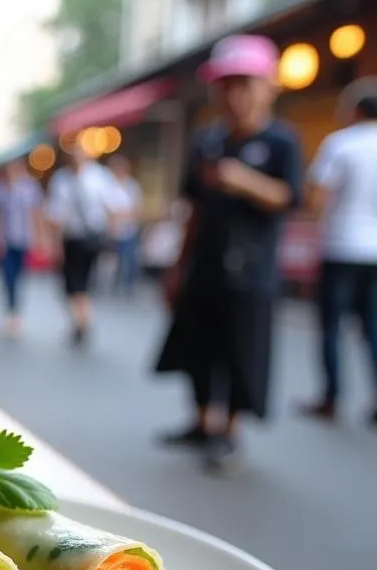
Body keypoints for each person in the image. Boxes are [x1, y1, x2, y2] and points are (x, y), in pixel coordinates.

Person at [155, 35, 302, 470]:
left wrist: (244, 181)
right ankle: (201, 421)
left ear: (267, 86)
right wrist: (178, 266)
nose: (235, 94)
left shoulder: (281, 141)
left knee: (242, 350)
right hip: (205, 265)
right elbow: (193, 208)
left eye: (245, 83)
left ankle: (229, 430)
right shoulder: (208, 140)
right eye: (227, 84)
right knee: (199, 347)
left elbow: (291, 197)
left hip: (252, 270)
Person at [299, 80, 377, 425]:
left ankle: (331, 397)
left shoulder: (341, 144)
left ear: (355, 111)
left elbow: (316, 199)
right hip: (374, 252)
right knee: (373, 327)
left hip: (342, 246)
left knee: (331, 325)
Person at [44, 144, 122, 347]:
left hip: (93, 237)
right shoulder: (61, 180)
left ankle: (82, 321)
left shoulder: (99, 177)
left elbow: (114, 207)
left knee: (83, 281)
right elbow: (56, 216)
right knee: (71, 284)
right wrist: (56, 244)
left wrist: (111, 237)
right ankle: (81, 320)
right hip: (72, 238)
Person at [0, 158, 45, 338]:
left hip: (24, 239)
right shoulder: (2, 189)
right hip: (6, 240)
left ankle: (16, 314)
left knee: (19, 278)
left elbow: (36, 214)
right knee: (8, 278)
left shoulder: (30, 188)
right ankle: (10, 314)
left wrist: (40, 236)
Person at [108, 155, 143, 296]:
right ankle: (115, 284)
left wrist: (122, 215)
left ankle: (129, 286)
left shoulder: (132, 186)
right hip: (113, 231)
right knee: (116, 260)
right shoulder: (109, 186)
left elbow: (137, 209)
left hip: (129, 229)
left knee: (130, 258)